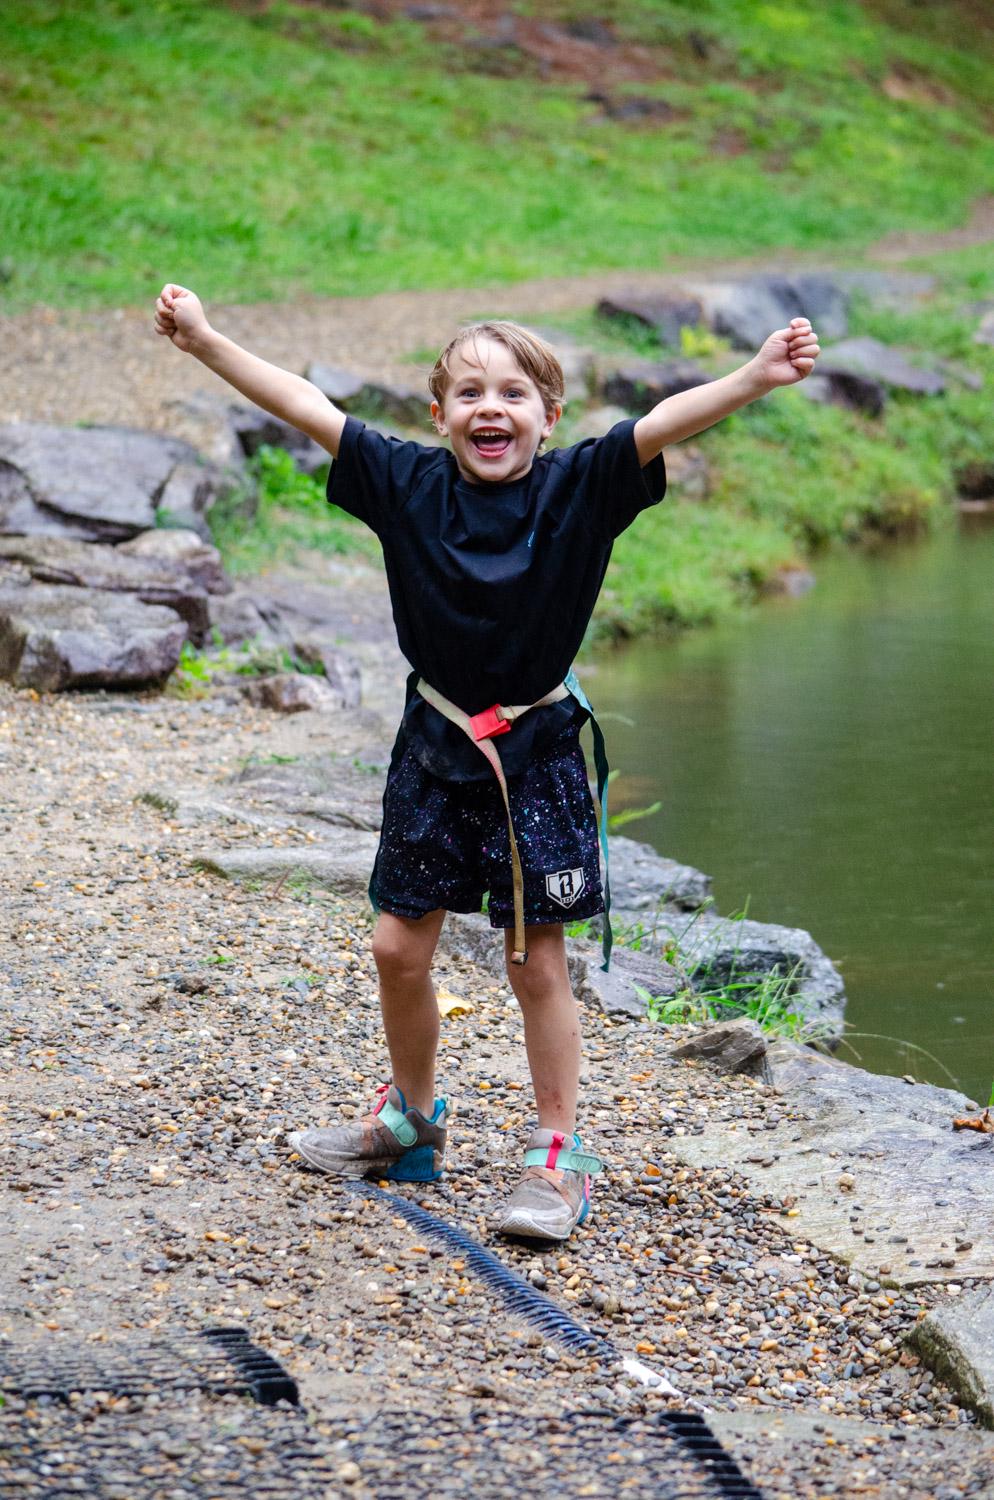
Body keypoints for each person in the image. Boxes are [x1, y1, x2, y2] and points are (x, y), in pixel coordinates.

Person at [154, 282, 820, 1240]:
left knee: (534, 963)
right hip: (434, 747)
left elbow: (661, 422)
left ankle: (557, 1157)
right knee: (396, 948)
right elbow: (305, 404)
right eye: (468, 393)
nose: (490, 408)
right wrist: (207, 341)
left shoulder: (580, 486)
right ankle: (411, 1123)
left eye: (513, 393)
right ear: (439, 416)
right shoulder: (408, 483)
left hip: (534, 756)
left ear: (549, 415)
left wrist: (755, 376)